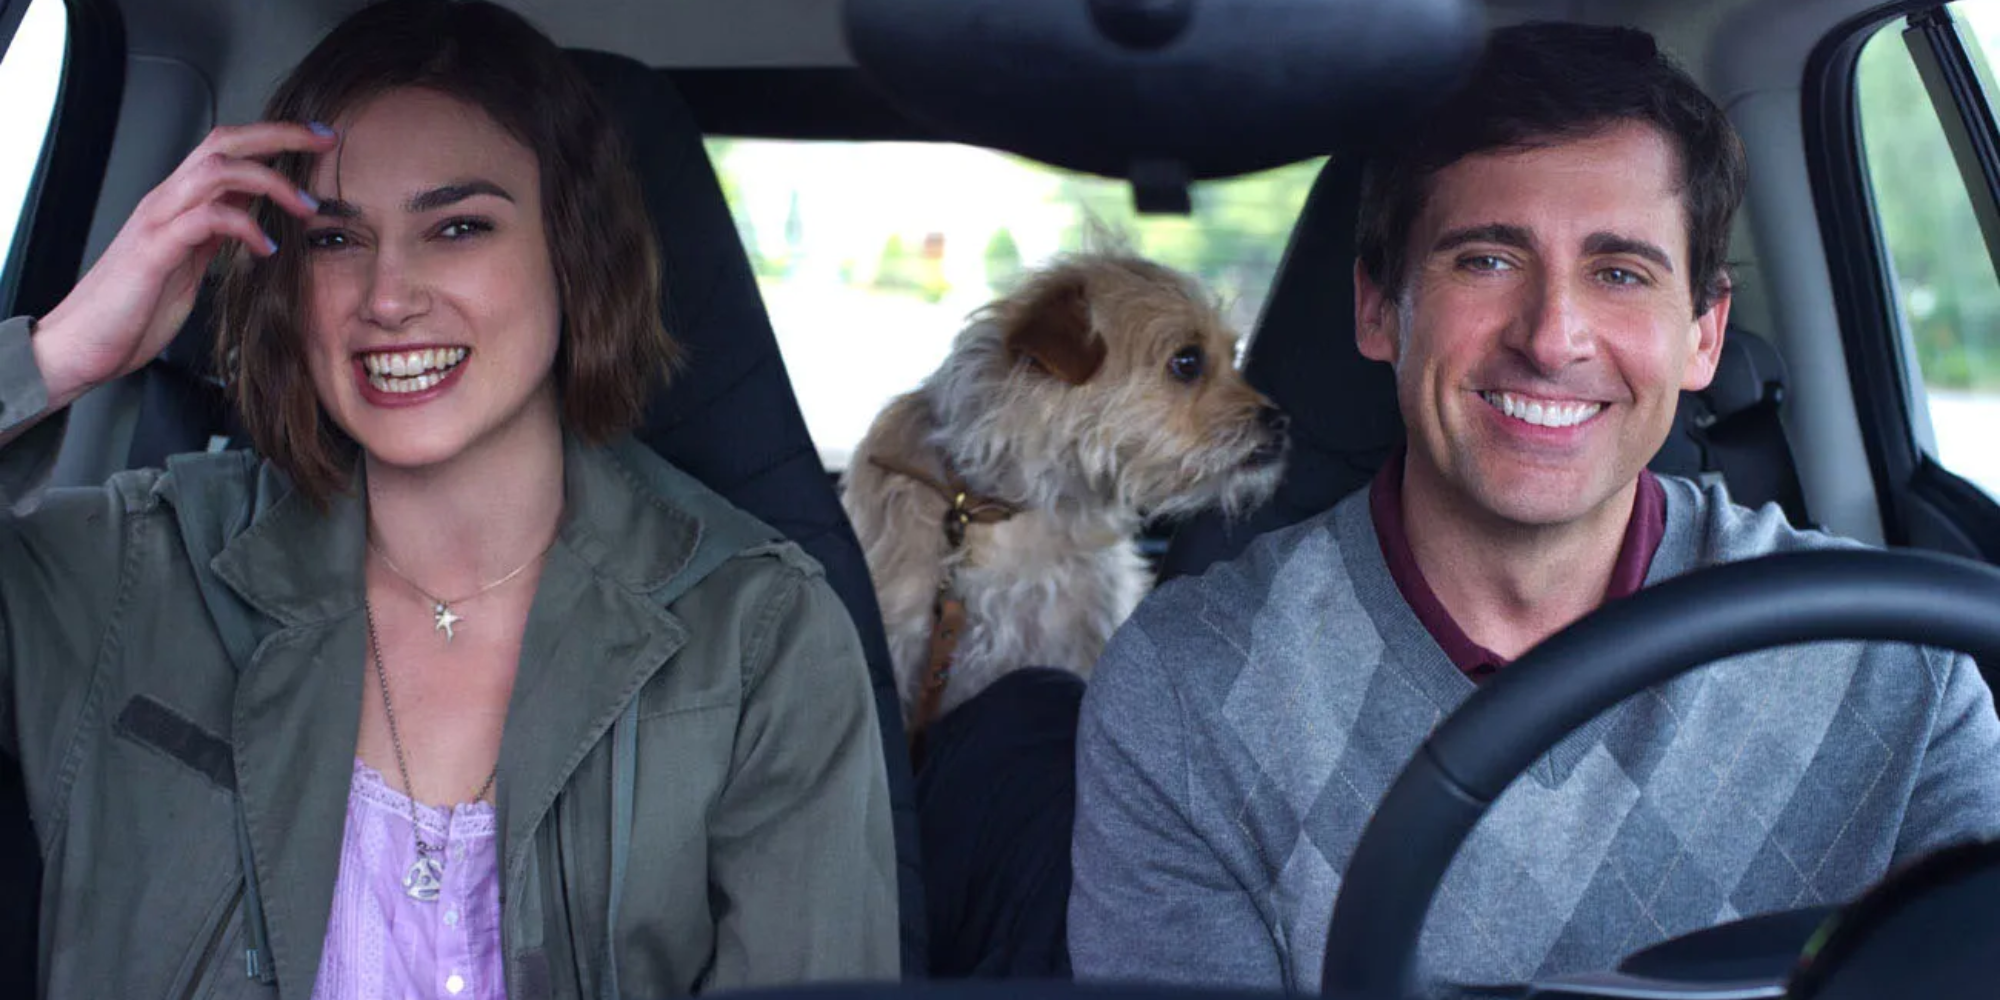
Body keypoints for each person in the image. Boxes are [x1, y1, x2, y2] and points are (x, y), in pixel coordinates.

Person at [1068, 20, 2000, 994]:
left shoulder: (1897, 664)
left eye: (1619, 272)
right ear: (1377, 309)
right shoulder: (1184, 694)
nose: (1551, 338)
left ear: (1702, 335)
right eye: (1485, 259)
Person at [0, 2, 898, 996]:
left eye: (458, 226)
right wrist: (58, 354)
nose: (388, 295)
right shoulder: (139, 567)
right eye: (336, 239)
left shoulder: (760, 638)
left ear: (574, 254)